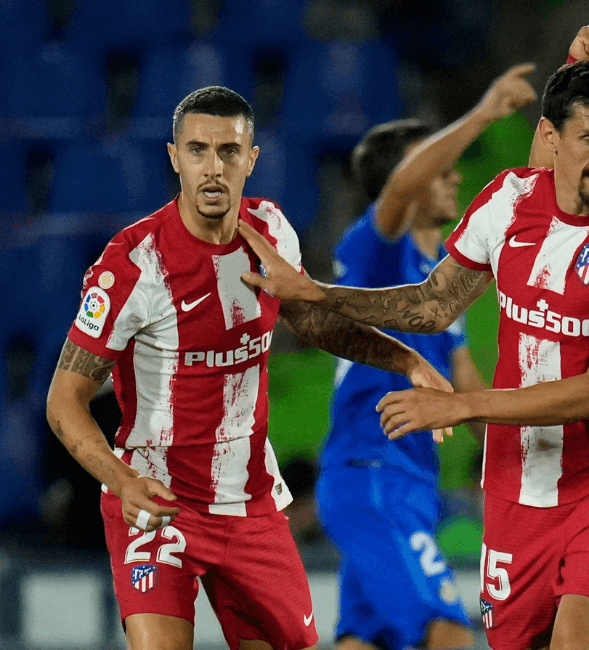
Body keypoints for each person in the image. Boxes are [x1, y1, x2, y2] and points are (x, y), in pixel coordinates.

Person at [237, 56, 589, 650]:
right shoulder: (393, 242)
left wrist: (464, 410)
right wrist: (319, 293)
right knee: (432, 634)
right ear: (553, 138)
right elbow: (428, 289)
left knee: (421, 637)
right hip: (416, 473)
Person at [45, 86, 452, 650]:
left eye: (229, 152)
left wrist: (404, 358)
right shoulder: (132, 265)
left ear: (252, 158)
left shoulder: (272, 234)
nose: (213, 168)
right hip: (158, 502)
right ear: (173, 157)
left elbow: (312, 324)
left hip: (251, 508)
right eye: (197, 150)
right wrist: (122, 480)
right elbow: (64, 399)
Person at [317, 64, 535, 650]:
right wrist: (483, 114)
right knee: (448, 630)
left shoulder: (439, 287)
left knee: (360, 640)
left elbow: (466, 386)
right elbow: (399, 189)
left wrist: (527, 449)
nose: (454, 175)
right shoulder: (373, 254)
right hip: (374, 476)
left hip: (408, 482)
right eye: (437, 167)